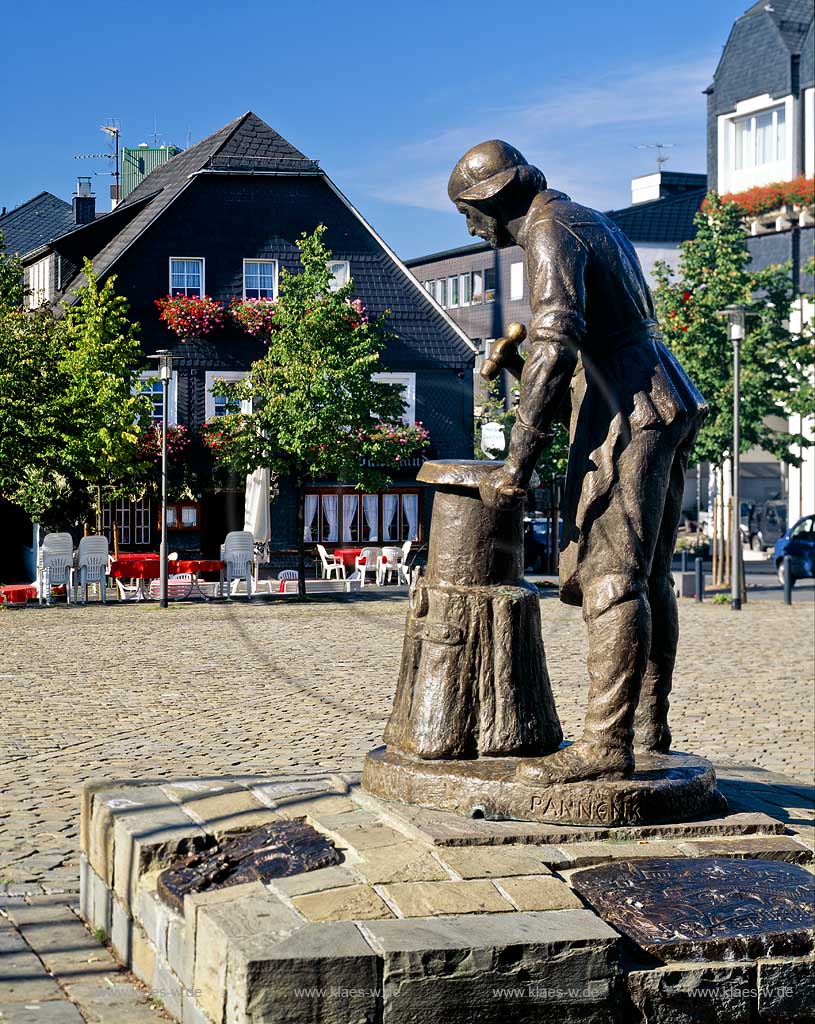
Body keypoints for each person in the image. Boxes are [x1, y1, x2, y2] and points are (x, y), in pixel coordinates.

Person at [448, 140, 707, 784]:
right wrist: (516, 360)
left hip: (630, 408)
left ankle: (606, 744)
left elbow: (557, 345)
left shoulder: (546, 232)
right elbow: (597, 334)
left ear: (494, 199)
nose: (472, 230)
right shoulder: (592, 218)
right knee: (648, 577)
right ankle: (648, 727)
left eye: (469, 214)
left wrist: (517, 462)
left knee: (611, 575)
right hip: (658, 395)